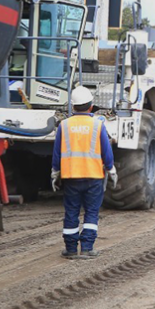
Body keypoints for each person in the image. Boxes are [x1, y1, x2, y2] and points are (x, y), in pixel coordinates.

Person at [52, 87, 117, 259]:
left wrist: (54, 172)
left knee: (71, 212)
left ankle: (71, 249)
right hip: (93, 176)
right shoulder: (98, 125)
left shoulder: (63, 126)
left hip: (71, 176)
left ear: (73, 107)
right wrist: (111, 169)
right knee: (91, 212)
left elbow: (57, 153)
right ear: (91, 106)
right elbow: (106, 151)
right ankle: (87, 248)